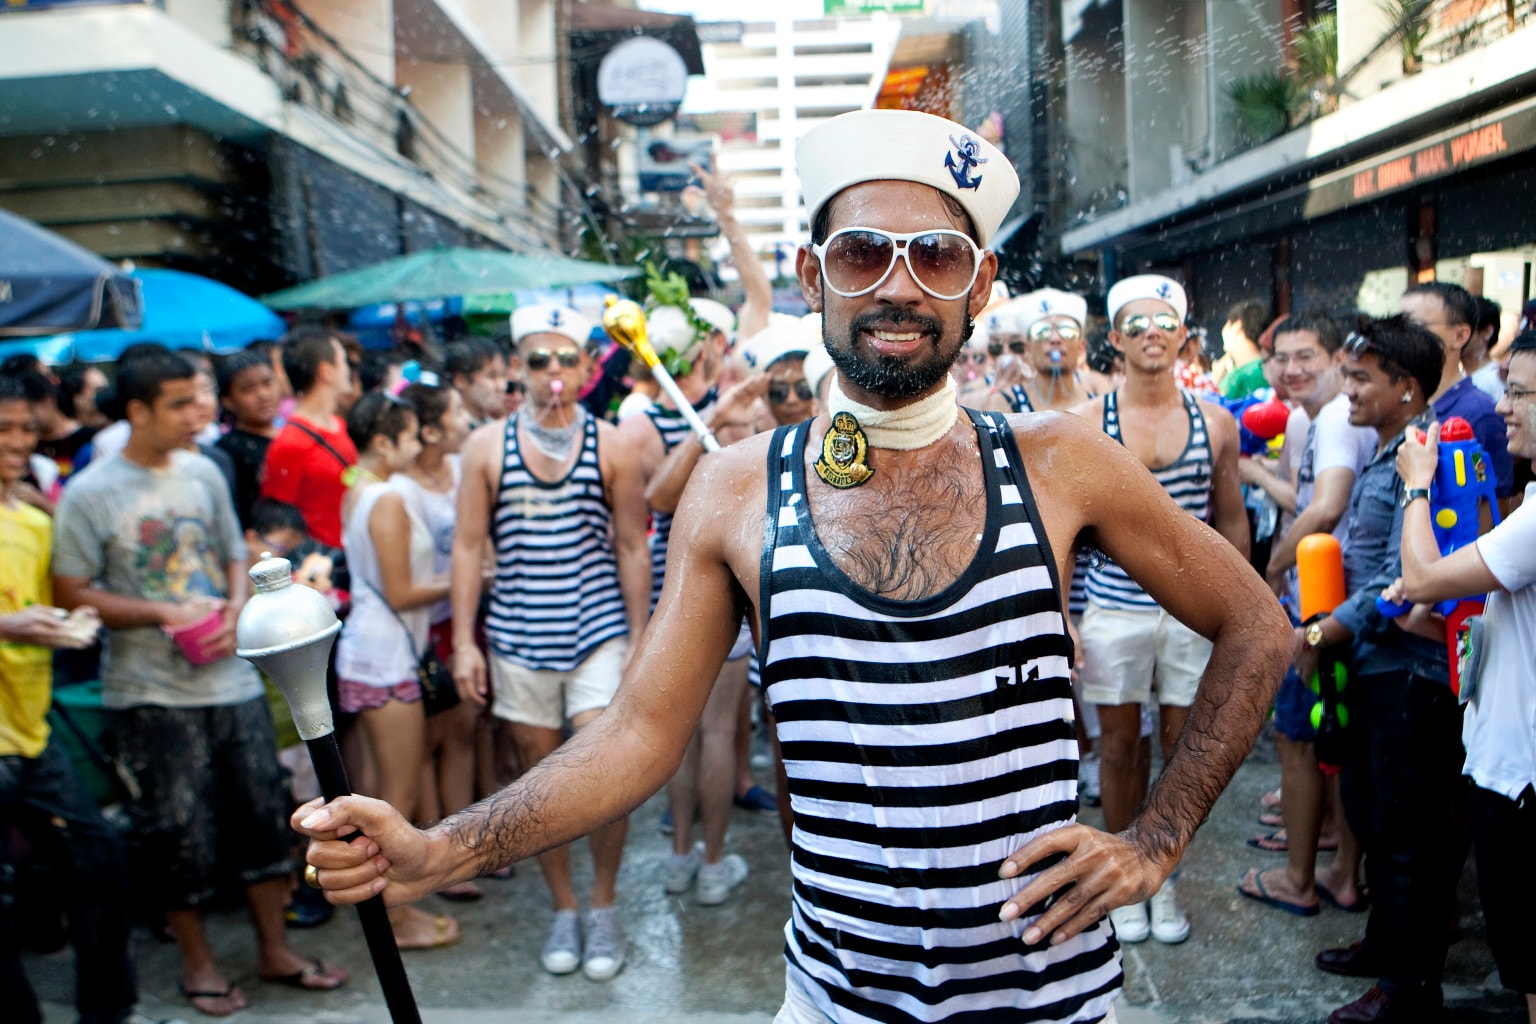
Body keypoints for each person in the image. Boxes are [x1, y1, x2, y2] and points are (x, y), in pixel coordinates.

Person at [295, 108, 1291, 1024]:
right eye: (863, 253)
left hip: (1055, 1003)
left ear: (980, 286)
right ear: (814, 276)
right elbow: (640, 732)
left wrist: (1156, 837)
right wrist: (442, 847)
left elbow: (1260, 625)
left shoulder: (1063, 463)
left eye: (936, 257)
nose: (898, 285)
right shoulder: (733, 491)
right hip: (834, 1003)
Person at [52, 349, 348, 1017]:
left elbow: (233, 553)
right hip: (151, 694)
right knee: (176, 831)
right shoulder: (90, 493)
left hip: (232, 682)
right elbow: (70, 591)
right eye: (181, 404)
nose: (200, 414)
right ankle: (199, 964)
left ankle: (276, 950)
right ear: (137, 410)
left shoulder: (206, 471)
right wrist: (160, 612)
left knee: (264, 818)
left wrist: (236, 610)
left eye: (201, 398)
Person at [449, 303, 651, 981]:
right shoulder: (485, 448)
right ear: (517, 369)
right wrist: (465, 645)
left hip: (596, 632)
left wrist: (640, 636)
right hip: (516, 636)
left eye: (565, 359)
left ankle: (604, 903)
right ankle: (564, 906)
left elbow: (631, 545)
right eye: (539, 360)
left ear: (588, 368)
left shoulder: (613, 444)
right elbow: (469, 546)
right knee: (538, 785)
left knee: (601, 776)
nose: (553, 372)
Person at [1283, 316, 1458, 1024]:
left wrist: (1326, 628)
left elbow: (1401, 576)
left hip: (1407, 674)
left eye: (1361, 378)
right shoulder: (1390, 449)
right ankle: (1384, 947)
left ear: (1407, 390)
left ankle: (1408, 987)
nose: (1345, 390)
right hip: (1370, 664)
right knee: (1373, 817)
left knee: (1405, 833)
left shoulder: (1428, 455)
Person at [1071, 274, 1248, 946]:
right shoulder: (1088, 423)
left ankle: (1163, 877)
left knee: (1184, 746)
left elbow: (1232, 525)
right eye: (1137, 323)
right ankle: (1122, 876)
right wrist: (1062, 613)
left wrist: (1238, 611)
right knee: (1118, 748)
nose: (1152, 332)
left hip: (1190, 612)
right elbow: (1065, 528)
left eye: (1164, 322)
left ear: (1182, 337)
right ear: (1115, 339)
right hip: (1112, 609)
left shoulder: (1215, 422)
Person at [0, 376, 178, 1024]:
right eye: (4, 429)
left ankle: (110, 1009)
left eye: (25, 427)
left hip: (31, 728)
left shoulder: (30, 513)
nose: (19, 442)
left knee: (99, 855)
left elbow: (61, 592)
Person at [1391, 328, 1536, 1024]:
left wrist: (1418, 488)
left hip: (1521, 777)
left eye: (1524, 394)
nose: (1505, 408)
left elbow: (1425, 573)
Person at [1235, 311, 1371, 915]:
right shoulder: (1322, 415)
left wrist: (1271, 571)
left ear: (1338, 359)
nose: (1291, 370)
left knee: (1298, 733)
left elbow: (1325, 508)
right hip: (1331, 592)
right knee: (1328, 729)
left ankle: (1299, 878)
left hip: (1324, 597)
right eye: (1282, 358)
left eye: (1306, 357)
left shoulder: (1339, 416)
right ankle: (1331, 848)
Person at [333, 389, 467, 948]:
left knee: (371, 793)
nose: (419, 444)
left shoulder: (356, 485)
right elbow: (402, 590)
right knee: (397, 796)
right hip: (386, 655)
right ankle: (394, 917)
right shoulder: (386, 497)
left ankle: (376, 906)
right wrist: (467, 579)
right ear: (384, 441)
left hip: (368, 649)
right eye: (411, 435)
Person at [1399, 282, 1514, 506]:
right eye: (1398, 326)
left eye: (1415, 326)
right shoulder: (1402, 405)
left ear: (1460, 335)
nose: (1402, 337)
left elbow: (1489, 510)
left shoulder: (1479, 415)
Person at [260, 326, 357, 549]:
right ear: (326, 371)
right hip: (321, 568)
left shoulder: (340, 426)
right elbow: (278, 525)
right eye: (343, 362)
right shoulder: (289, 444)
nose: (348, 370)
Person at [989, 289, 1092, 414]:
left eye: (1067, 330)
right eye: (1041, 332)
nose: (1055, 339)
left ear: (1081, 347)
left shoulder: (1098, 404)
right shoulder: (1005, 403)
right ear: (1028, 349)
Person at [215, 350, 282, 528]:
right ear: (228, 401)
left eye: (268, 383)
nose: (262, 394)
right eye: (248, 389)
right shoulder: (227, 451)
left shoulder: (290, 434)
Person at [445, 338, 509, 429]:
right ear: (460, 380)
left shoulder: (493, 425)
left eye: (503, 375)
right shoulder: (454, 431)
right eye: (491, 376)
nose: (502, 386)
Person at [1215, 298, 1272, 398]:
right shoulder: (1265, 368)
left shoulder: (1252, 375)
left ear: (1237, 326)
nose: (1223, 332)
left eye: (1227, 325)